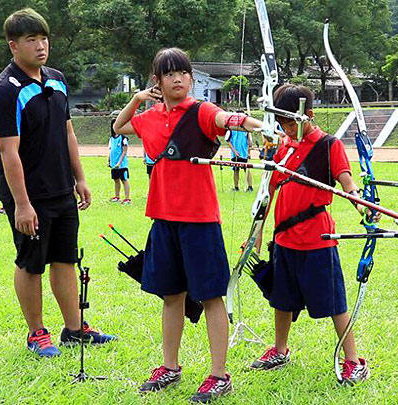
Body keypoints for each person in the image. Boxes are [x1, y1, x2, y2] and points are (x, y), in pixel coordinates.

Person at [113, 47, 274, 403]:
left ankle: (219, 375)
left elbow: (229, 120)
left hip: (200, 221)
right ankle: (169, 366)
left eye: (184, 73)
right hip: (164, 219)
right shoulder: (152, 117)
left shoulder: (201, 112)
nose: (178, 79)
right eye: (169, 74)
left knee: (211, 295)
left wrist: (261, 126)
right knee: (171, 296)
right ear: (157, 81)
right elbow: (120, 126)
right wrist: (138, 99)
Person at [0, 8, 116, 358]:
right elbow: (9, 153)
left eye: (44, 38)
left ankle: (75, 330)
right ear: (14, 46)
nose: (41, 46)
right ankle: (36, 333)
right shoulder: (4, 91)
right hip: (29, 194)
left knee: (65, 259)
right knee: (31, 261)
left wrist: (81, 178)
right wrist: (23, 204)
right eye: (32, 40)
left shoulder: (57, 79)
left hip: (61, 187)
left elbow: (68, 131)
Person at [246, 84, 371, 385]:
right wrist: (259, 233)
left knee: (334, 302)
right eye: (282, 124)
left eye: (290, 123)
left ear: (309, 115)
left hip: (317, 239)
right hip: (284, 238)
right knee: (282, 299)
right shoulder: (283, 147)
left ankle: (353, 361)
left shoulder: (328, 145)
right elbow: (269, 191)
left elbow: (346, 181)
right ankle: (279, 350)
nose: (286, 129)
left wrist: (361, 204)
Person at [225, 113, 254, 192]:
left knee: (247, 170)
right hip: (235, 154)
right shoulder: (231, 128)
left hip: (244, 154)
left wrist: (248, 152)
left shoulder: (246, 129)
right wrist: (234, 151)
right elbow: (228, 141)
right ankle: (236, 187)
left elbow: (249, 142)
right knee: (236, 170)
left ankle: (250, 187)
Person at [108, 122, 131, 204]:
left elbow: (124, 152)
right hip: (114, 164)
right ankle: (117, 196)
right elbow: (111, 150)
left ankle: (127, 198)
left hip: (122, 165)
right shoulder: (111, 138)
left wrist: (119, 163)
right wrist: (109, 161)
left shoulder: (123, 138)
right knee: (116, 180)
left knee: (124, 180)